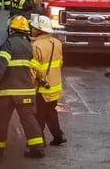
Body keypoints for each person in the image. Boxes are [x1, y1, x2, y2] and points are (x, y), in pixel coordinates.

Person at [0, 16, 45, 159]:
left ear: (12, 29)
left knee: (1, 120)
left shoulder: (9, 44)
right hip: (27, 91)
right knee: (29, 120)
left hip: (7, 92)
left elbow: (0, 66)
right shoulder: (30, 45)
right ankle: (37, 149)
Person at [30, 14, 67, 147]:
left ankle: (39, 142)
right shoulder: (57, 43)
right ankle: (58, 137)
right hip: (55, 86)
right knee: (51, 112)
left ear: (38, 29)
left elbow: (33, 70)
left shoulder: (35, 46)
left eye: (34, 27)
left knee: (39, 115)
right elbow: (60, 63)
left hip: (41, 88)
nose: (32, 29)